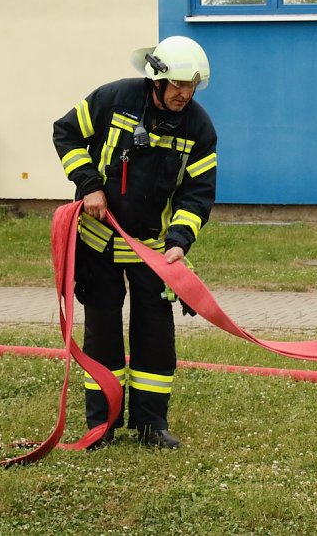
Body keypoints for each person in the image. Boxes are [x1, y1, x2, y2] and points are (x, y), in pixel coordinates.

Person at [52, 36, 218, 449]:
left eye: (192, 86)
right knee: (102, 334)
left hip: (154, 253)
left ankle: (151, 425)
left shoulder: (199, 128)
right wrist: (89, 185)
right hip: (99, 243)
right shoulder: (114, 99)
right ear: (157, 79)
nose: (185, 94)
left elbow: (197, 194)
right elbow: (66, 133)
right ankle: (102, 424)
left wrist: (179, 241)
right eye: (178, 84)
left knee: (155, 339)